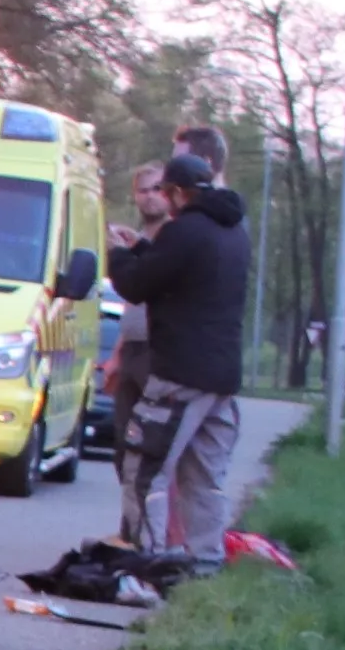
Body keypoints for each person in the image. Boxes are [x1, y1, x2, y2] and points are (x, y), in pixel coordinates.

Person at [106, 151, 251, 565]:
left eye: (164, 192)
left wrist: (119, 253)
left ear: (175, 193)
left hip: (180, 372)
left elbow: (136, 286)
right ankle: (205, 560)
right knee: (205, 475)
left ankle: (145, 558)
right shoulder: (235, 230)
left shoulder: (184, 230)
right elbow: (178, 273)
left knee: (144, 465)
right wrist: (144, 251)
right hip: (222, 377)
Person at [105, 161, 169, 542]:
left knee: (150, 447)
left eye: (157, 188)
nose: (150, 196)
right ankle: (130, 528)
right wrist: (116, 354)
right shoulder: (139, 241)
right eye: (143, 189)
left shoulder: (172, 240)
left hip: (158, 352)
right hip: (131, 352)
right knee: (122, 446)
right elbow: (131, 305)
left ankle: (147, 535)